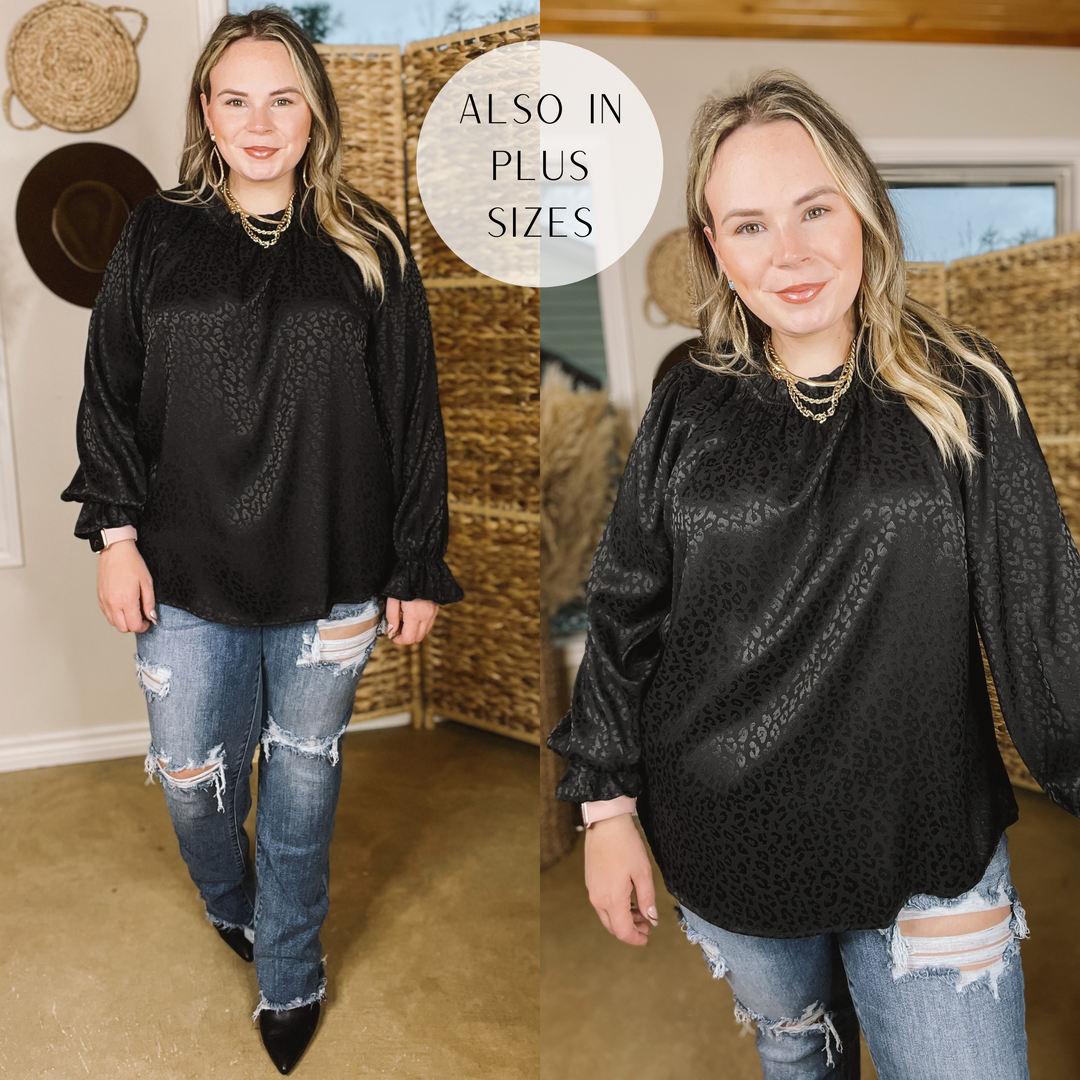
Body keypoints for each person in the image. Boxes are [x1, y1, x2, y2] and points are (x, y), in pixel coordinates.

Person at [548, 70, 1080, 1080]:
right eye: (748, 226)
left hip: (926, 847)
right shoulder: (687, 404)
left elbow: (1047, 623)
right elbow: (628, 609)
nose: (788, 253)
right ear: (716, 250)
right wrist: (605, 809)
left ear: (864, 211)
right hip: (727, 841)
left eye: (812, 210)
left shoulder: (964, 390)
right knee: (802, 1066)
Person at [62, 9, 462, 1074]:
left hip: (334, 565)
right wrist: (115, 534)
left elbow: (414, 412)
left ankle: (289, 967)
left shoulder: (372, 243)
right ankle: (233, 901)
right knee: (193, 775)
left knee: (303, 772)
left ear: (316, 111)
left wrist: (416, 560)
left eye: (283, 98)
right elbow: (107, 394)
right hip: (183, 562)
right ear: (206, 110)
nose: (260, 120)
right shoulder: (154, 233)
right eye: (235, 98)